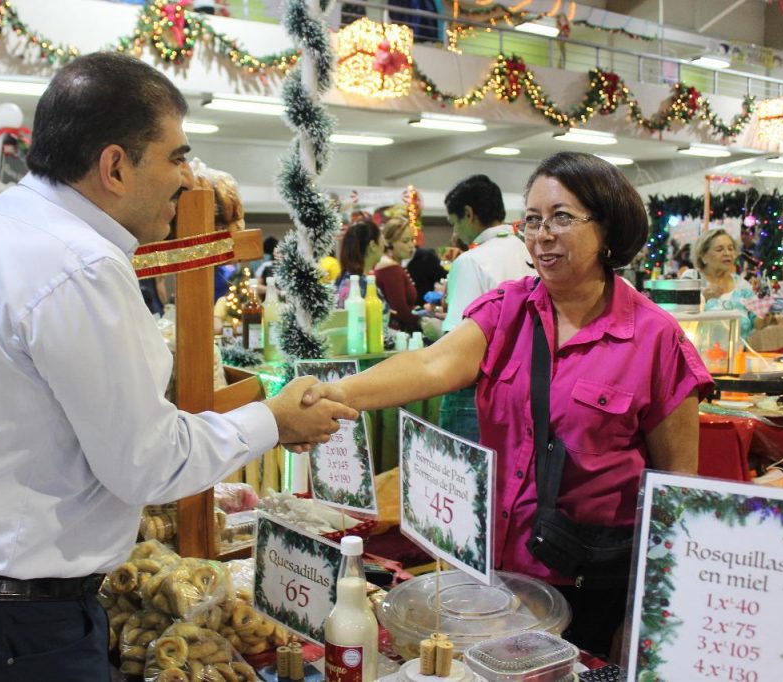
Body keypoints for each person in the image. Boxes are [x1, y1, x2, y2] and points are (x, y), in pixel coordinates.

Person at [0, 52, 356, 682]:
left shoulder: (0, 226)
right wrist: (274, 420)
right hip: (0, 625)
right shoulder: (78, 264)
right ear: (115, 166)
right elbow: (148, 464)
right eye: (177, 157)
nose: (187, 180)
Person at [303, 152, 712, 658]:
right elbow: (432, 366)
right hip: (498, 583)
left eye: (562, 217)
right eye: (533, 220)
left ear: (607, 229)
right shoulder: (507, 311)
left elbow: (678, 492)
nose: (542, 234)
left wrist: (647, 613)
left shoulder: (654, 339)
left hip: (593, 588)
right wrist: (333, 395)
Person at [430, 174, 534, 442]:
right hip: (524, 388)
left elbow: (456, 346)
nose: (455, 234)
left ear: (468, 214)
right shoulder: (528, 252)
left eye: (455, 224)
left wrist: (435, 328)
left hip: (475, 394)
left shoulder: (472, 261)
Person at [692, 228, 760, 339]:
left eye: (731, 249)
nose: (727, 253)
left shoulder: (742, 286)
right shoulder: (692, 279)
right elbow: (676, 317)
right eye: (719, 250)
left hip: (738, 354)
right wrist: (702, 298)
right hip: (699, 354)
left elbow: (757, 321)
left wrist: (768, 314)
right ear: (703, 256)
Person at [375, 217, 419, 332]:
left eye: (412, 240)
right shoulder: (390, 268)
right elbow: (401, 310)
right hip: (398, 333)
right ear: (389, 244)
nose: (411, 245)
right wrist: (422, 318)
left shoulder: (392, 265)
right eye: (405, 241)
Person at [334, 220, 386, 307]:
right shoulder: (360, 285)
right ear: (373, 245)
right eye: (382, 239)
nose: (384, 244)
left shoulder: (344, 279)